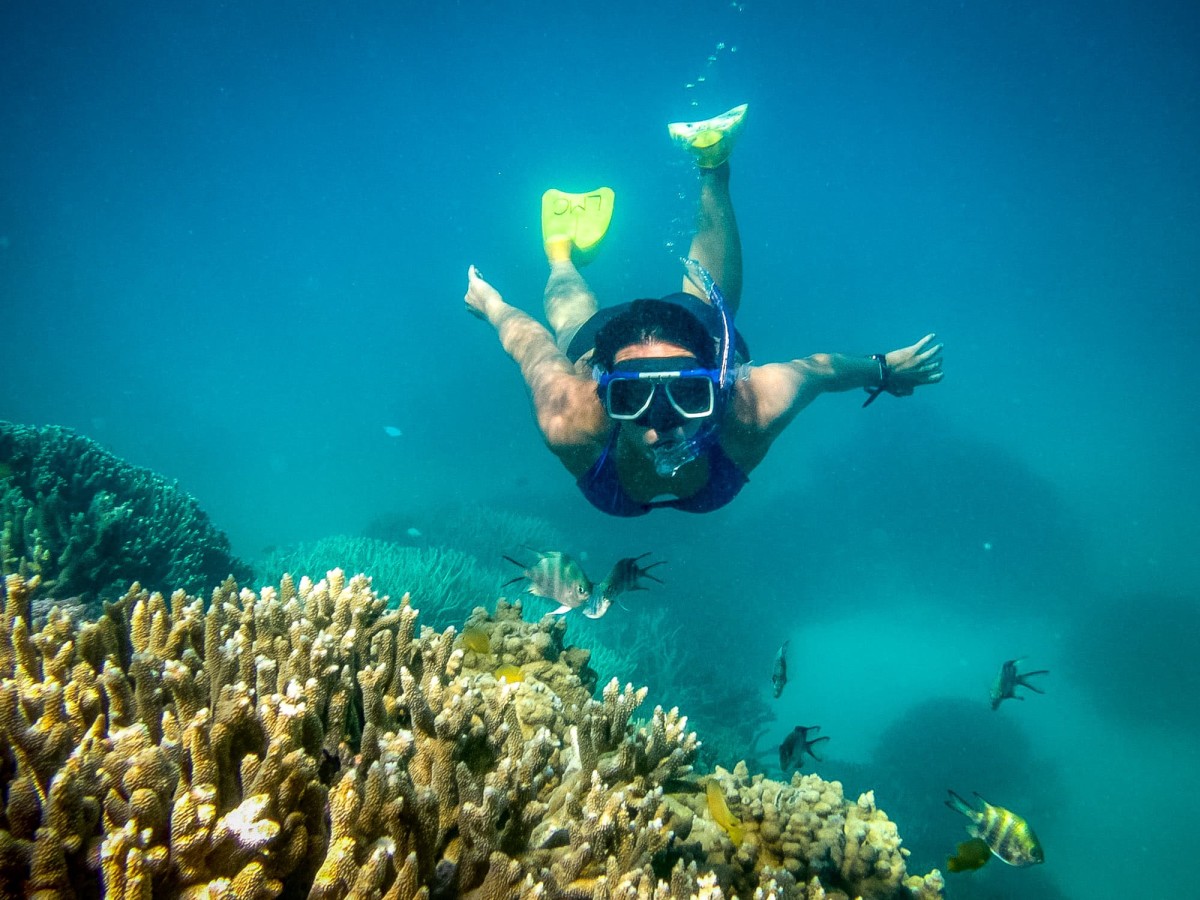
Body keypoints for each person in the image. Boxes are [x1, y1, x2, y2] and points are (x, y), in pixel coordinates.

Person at [463, 103, 944, 516]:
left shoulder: (750, 409)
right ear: (599, 388)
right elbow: (527, 344)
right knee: (572, 326)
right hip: (618, 344)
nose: (661, 424)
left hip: (687, 334)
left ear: (719, 382)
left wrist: (880, 369)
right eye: (631, 399)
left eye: (688, 395)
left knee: (683, 305)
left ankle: (712, 158)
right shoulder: (572, 419)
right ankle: (562, 252)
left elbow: (818, 372)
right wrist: (491, 305)